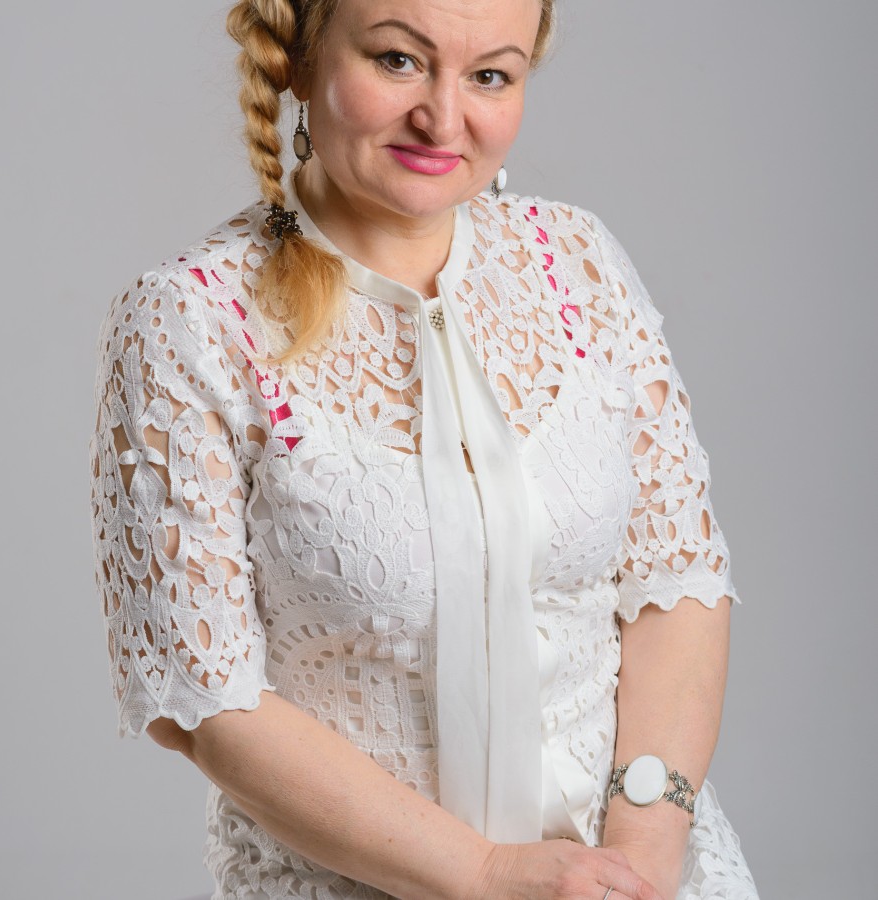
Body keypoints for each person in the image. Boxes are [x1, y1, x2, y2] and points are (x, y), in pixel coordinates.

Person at [87, 1, 761, 898]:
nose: (444, 119)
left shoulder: (580, 263)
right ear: (300, 59)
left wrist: (645, 846)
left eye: (490, 76)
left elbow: (677, 579)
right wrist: (487, 874)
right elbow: (206, 701)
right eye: (398, 61)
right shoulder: (190, 323)